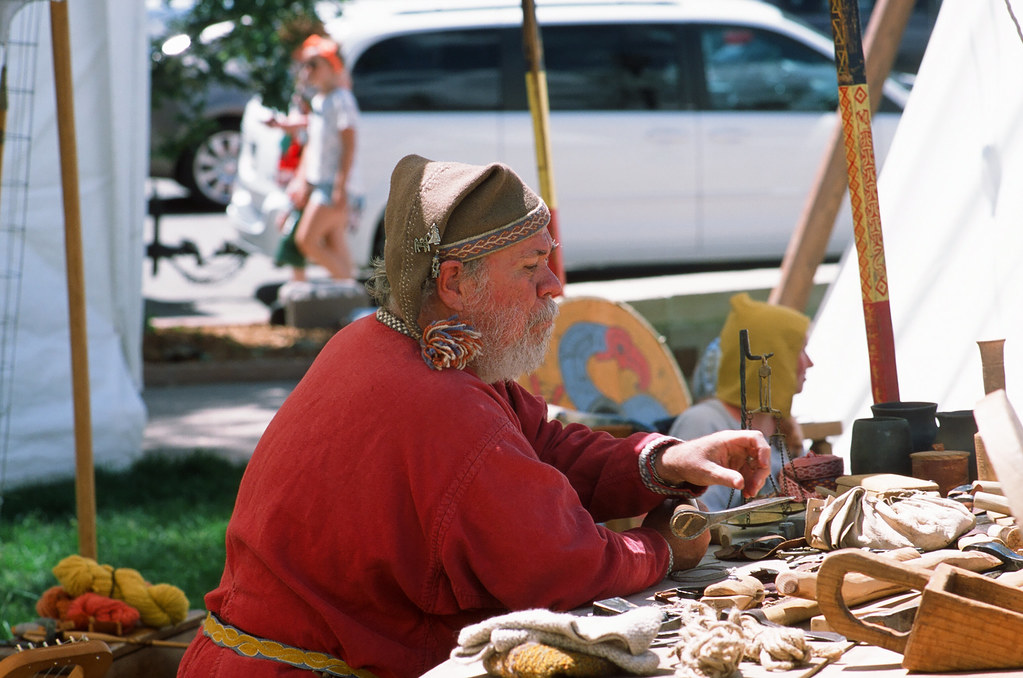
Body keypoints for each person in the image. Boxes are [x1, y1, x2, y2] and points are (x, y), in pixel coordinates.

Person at [176, 155, 773, 678]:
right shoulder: (441, 403)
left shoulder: (392, 342)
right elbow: (557, 564)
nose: (554, 285)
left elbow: (542, 447)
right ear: (456, 281)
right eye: (530, 265)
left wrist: (665, 459)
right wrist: (664, 550)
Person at [669, 292, 813, 512]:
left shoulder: (781, 427)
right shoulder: (703, 423)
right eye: (798, 350)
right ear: (774, 358)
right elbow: (697, 519)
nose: (810, 362)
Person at [285, 34, 360, 280]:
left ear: (331, 66)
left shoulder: (341, 100)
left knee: (305, 240)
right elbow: (312, 147)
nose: (308, 71)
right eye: (305, 65)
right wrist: (304, 181)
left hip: (334, 186)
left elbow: (349, 145)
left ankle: (353, 292)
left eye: (314, 64)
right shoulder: (319, 100)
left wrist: (340, 187)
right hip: (321, 183)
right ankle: (349, 304)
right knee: (335, 245)